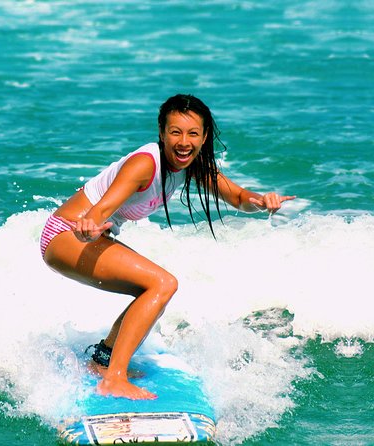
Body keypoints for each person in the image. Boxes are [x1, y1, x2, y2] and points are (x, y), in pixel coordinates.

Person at [40, 94, 295, 400]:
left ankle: (103, 360)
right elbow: (99, 211)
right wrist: (89, 228)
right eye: (175, 132)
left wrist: (262, 201)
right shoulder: (144, 164)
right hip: (68, 234)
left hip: (87, 235)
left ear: (204, 137)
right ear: (161, 134)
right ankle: (114, 379)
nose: (184, 142)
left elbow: (239, 198)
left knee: (153, 293)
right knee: (162, 284)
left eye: (193, 133)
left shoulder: (193, 165)